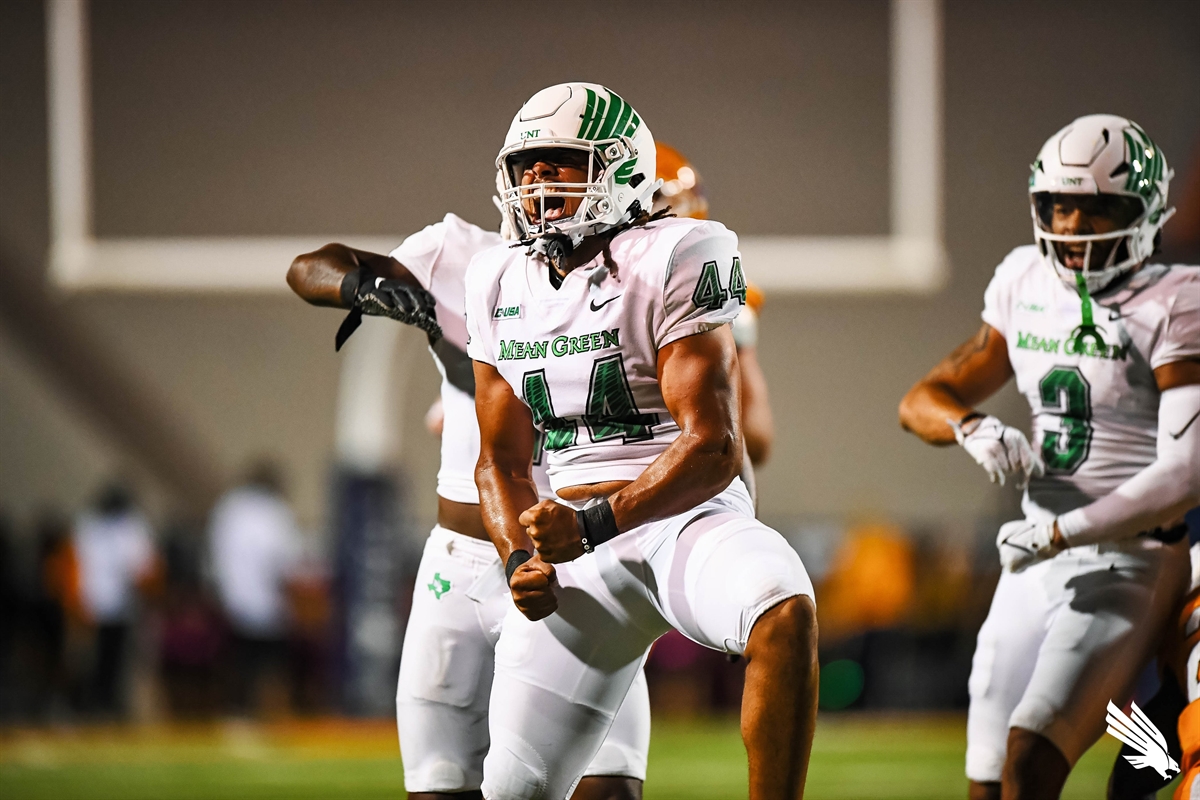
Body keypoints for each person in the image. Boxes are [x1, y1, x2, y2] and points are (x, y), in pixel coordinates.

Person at [466, 82, 818, 800]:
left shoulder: (679, 251)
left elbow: (717, 446)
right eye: (527, 166)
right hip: (573, 546)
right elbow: (498, 460)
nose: (536, 183)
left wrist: (594, 523)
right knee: (513, 791)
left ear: (618, 168)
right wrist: (517, 562)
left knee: (783, 607)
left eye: (559, 162)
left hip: (680, 520)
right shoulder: (494, 277)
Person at [287, 169, 649, 799]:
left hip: (577, 560)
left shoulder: (642, 282)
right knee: (438, 784)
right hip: (462, 560)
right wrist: (368, 287)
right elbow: (309, 268)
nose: (546, 201)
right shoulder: (460, 253)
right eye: (536, 178)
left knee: (605, 789)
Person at [898, 114, 1199, 799]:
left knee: (1031, 756)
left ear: (1145, 211)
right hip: (1035, 556)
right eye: (1059, 205)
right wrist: (970, 426)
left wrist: (1065, 530)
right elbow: (922, 398)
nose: (1071, 225)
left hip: (1132, 556)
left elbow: (1184, 475)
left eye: (1096, 209)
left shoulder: (1178, 300)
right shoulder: (1023, 279)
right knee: (985, 775)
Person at [208, 461, 302, 716]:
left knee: (239, 662)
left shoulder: (229, 507)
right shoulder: (273, 512)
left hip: (232, 600)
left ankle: (237, 713)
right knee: (269, 665)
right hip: (266, 602)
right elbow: (284, 561)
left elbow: (216, 554)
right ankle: (268, 714)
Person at [73, 482, 158, 717]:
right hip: (94, 603)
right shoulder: (91, 525)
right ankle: (90, 702)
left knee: (116, 658)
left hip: (119, 604)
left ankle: (108, 702)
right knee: (92, 658)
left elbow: (141, 565)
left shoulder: (128, 526)